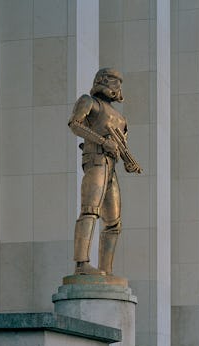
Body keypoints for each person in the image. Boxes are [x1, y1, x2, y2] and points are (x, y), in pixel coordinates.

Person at [68, 68, 142, 276]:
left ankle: (106, 271)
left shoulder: (121, 118)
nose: (116, 85)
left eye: (118, 81)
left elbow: (122, 147)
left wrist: (129, 162)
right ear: (102, 81)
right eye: (112, 80)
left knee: (113, 222)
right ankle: (81, 265)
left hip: (111, 165)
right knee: (90, 210)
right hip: (96, 159)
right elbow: (74, 124)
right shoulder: (89, 102)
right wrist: (102, 141)